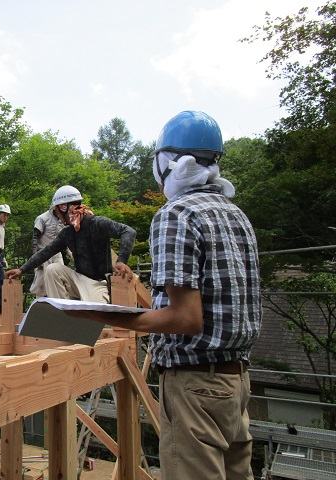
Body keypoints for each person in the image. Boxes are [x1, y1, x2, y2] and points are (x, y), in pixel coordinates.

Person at [74, 111, 261, 479]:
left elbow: (185, 318)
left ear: (167, 161)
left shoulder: (176, 214)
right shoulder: (236, 214)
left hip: (196, 386)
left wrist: (104, 316)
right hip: (237, 383)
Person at [6, 186, 136, 303]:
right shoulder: (68, 232)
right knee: (52, 269)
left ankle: (96, 303)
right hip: (78, 279)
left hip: (98, 283)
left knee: (95, 316)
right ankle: (63, 311)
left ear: (63, 207)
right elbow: (46, 252)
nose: (57, 215)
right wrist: (21, 269)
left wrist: (121, 261)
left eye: (57, 211)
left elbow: (128, 231)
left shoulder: (97, 223)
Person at [29, 204, 66, 297]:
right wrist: (36, 256)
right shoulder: (43, 218)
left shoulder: (63, 220)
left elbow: (66, 239)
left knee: (62, 278)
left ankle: (60, 305)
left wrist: (71, 253)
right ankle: (40, 305)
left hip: (57, 253)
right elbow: (35, 238)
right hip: (43, 252)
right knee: (41, 281)